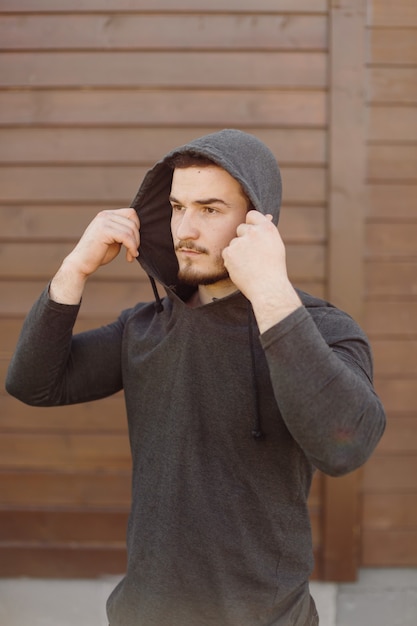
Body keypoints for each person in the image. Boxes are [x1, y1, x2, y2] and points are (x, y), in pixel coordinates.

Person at [6, 129, 386, 626]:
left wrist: (270, 287)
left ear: (258, 222)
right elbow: (33, 383)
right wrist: (74, 268)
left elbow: (347, 446)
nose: (184, 229)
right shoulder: (144, 326)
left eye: (209, 210)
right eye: (177, 206)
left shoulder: (320, 329)